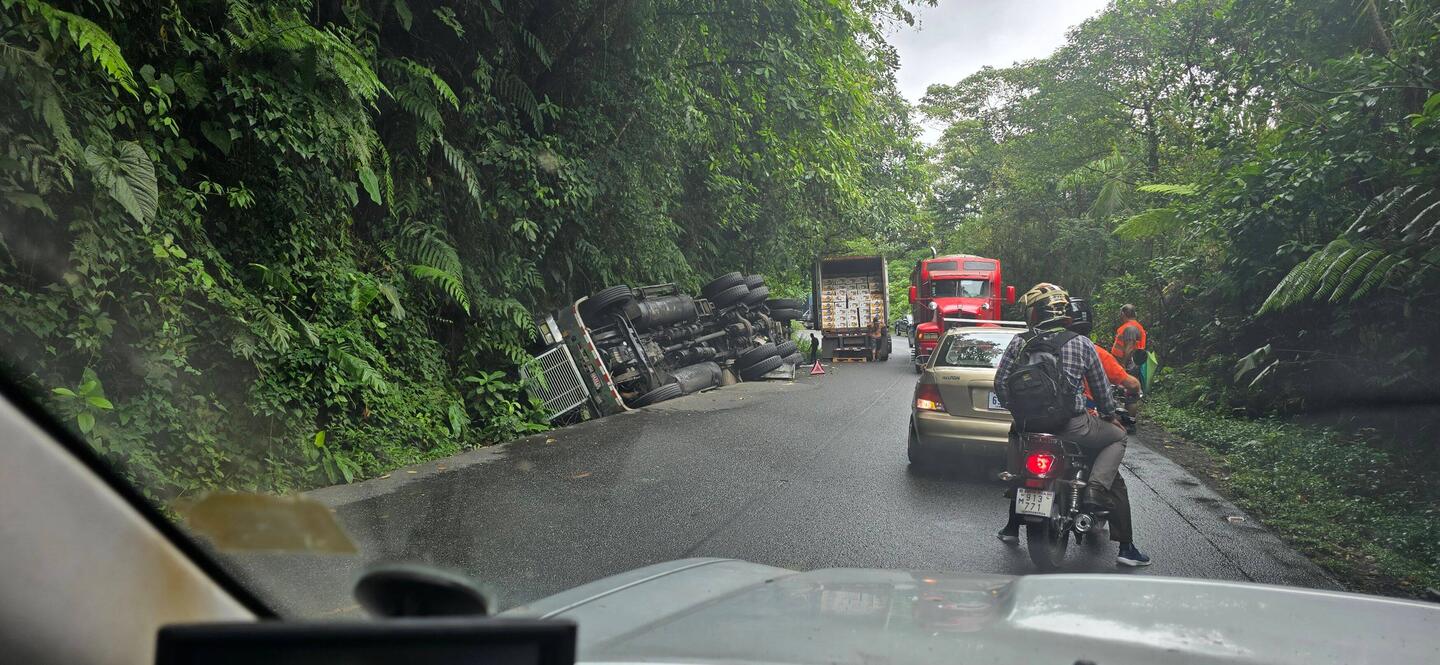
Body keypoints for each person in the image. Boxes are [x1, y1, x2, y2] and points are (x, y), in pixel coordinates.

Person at [993, 283, 1129, 534]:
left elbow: (1000, 383)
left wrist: (1018, 412)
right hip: (1072, 426)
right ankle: (1096, 489)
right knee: (1119, 437)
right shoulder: (1081, 343)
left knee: (1015, 434)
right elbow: (1101, 390)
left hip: (1027, 427)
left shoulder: (1019, 341)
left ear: (1037, 313)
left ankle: (1015, 482)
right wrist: (1109, 415)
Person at [1111, 304, 1149, 388]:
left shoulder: (1130, 328)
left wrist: (1123, 364)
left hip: (1129, 365)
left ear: (1123, 314)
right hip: (1130, 363)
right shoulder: (1132, 326)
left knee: (1128, 388)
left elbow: (1129, 348)